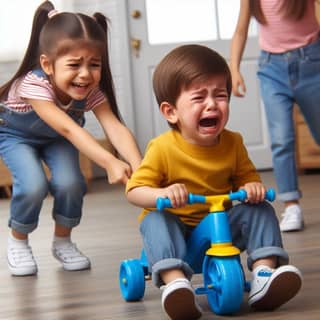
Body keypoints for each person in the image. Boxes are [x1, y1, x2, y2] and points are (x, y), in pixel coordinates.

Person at [126, 44, 302, 320]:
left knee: (261, 209)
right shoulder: (162, 148)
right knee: (155, 220)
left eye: (220, 95)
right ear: (171, 112)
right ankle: (175, 284)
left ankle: (264, 274)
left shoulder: (233, 143)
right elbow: (134, 191)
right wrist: (163, 193)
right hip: (179, 228)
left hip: (221, 224)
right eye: (199, 97)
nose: (212, 104)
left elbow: (247, 179)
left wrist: (250, 189)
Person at [0, 1, 142, 276]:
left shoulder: (91, 90)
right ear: (47, 64)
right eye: (75, 64)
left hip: (56, 138)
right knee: (32, 185)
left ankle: (62, 241)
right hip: (17, 135)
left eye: (94, 64)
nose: (85, 74)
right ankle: (18, 241)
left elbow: (114, 126)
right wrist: (109, 162)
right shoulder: (33, 84)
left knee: (71, 183)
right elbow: (70, 130)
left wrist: (140, 167)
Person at [230, 0, 320, 232]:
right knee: (281, 139)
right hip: (272, 69)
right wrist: (233, 69)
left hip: (312, 63)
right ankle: (291, 205)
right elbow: (241, 30)